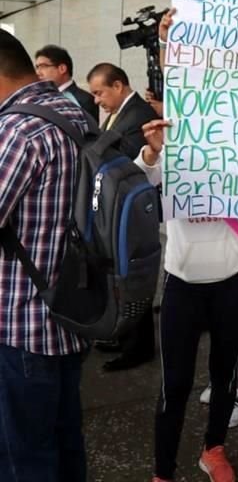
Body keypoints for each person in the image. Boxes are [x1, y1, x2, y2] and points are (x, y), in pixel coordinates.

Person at [135, 118, 238, 482]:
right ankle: (163, 472)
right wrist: (153, 151)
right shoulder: (168, 150)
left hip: (232, 280)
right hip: (183, 285)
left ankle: (214, 449)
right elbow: (138, 183)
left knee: (224, 376)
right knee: (174, 384)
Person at [0, 29, 91, 481]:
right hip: (73, 309)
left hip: (20, 322)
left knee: (23, 457)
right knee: (64, 438)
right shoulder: (69, 112)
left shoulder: (17, 129)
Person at [86, 62, 159, 371]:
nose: (97, 100)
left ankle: (138, 347)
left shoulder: (139, 115)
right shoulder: (120, 112)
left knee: (133, 274)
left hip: (135, 210)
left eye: (99, 92)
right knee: (121, 274)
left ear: (118, 86)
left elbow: (124, 159)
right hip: (118, 208)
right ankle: (122, 333)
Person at [34, 44, 98, 119]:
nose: (38, 73)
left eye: (43, 66)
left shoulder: (84, 100)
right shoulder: (40, 99)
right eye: (37, 67)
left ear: (62, 69)